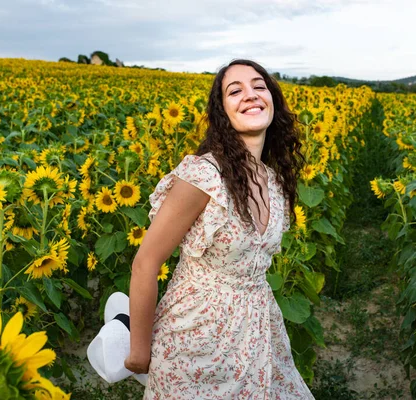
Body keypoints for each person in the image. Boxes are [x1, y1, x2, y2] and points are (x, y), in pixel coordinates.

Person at [125, 59, 314, 399]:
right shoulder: (203, 176)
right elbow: (146, 262)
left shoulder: (272, 180)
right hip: (194, 337)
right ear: (222, 111)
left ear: (273, 98)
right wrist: (139, 351)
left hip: (256, 332)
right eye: (235, 90)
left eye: (259, 86)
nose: (251, 95)